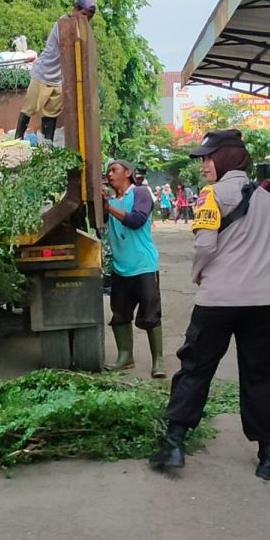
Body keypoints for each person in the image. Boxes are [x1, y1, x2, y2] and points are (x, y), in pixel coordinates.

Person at [149, 129, 270, 480]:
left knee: (195, 369)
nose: (204, 165)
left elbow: (205, 247)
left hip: (218, 301)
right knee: (260, 376)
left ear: (225, 159)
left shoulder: (210, 196)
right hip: (263, 304)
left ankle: (174, 443)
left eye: (208, 158)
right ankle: (269, 457)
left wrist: (198, 274)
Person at [101, 160, 166, 379]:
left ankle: (158, 361)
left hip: (144, 265)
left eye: (114, 170)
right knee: (119, 314)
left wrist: (109, 208)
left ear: (127, 173)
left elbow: (137, 220)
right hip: (121, 267)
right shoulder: (109, 200)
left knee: (151, 314)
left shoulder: (141, 193)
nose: (110, 174)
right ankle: (125, 356)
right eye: (108, 171)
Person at [14, 0, 97, 141]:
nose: (85, 19)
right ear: (75, 9)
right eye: (83, 14)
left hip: (59, 79)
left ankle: (48, 145)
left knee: (51, 114)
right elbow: (68, 48)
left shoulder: (82, 29)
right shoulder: (63, 24)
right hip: (43, 74)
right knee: (30, 108)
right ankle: (17, 139)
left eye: (88, 18)